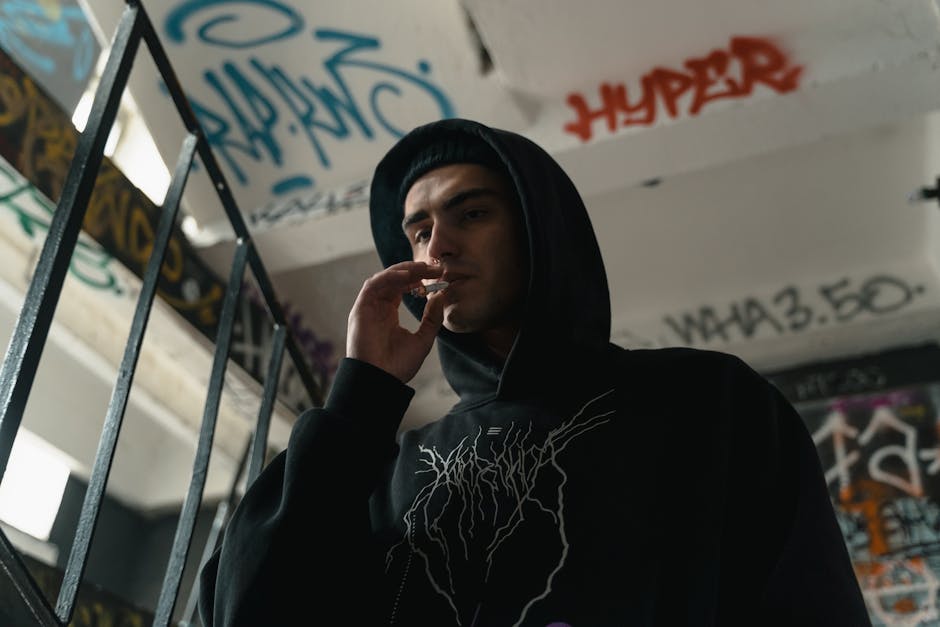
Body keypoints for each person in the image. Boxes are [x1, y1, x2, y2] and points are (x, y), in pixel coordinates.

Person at [198, 118, 871, 626]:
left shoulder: (708, 404)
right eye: (418, 229)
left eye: (473, 212)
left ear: (541, 230)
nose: (439, 245)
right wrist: (358, 401)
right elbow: (247, 611)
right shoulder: (385, 470)